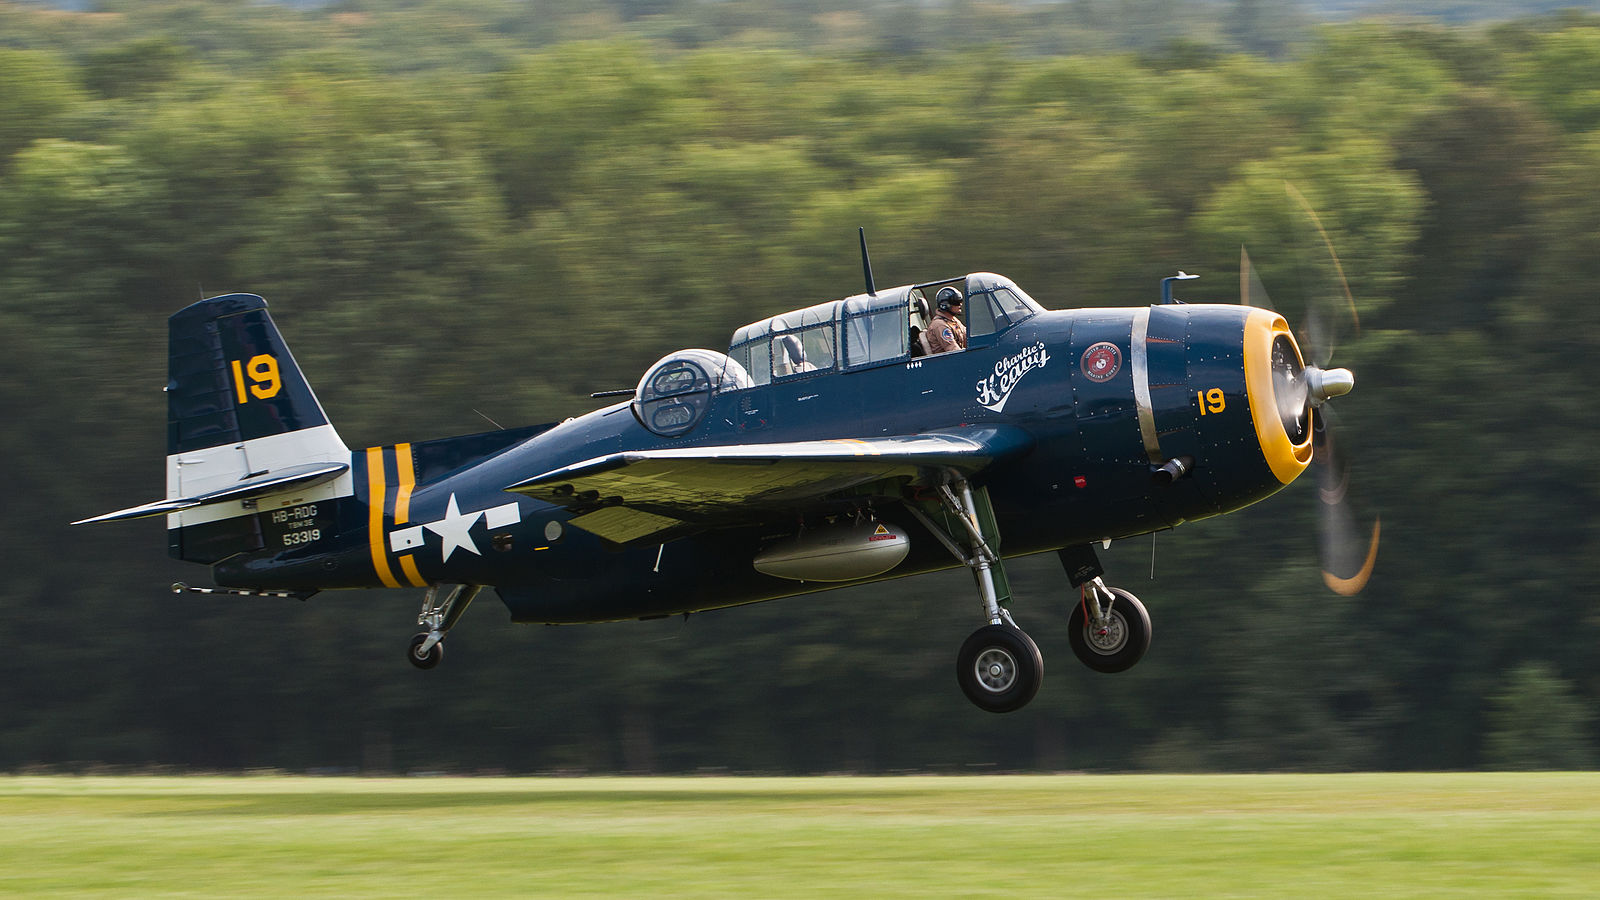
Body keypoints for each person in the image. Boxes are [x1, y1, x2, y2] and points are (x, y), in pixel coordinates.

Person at [926, 286, 967, 354]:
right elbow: (953, 350)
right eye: (956, 302)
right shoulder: (940, 325)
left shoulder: (952, 320)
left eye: (960, 301)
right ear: (946, 304)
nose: (960, 304)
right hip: (947, 362)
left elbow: (967, 336)